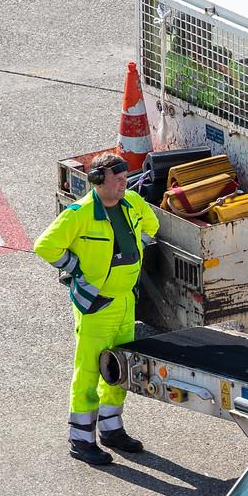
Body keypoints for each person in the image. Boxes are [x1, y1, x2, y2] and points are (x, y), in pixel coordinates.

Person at [33, 153, 158, 466]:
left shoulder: (132, 202)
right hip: (96, 307)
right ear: (98, 180)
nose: (123, 184)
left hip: (126, 301)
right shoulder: (80, 213)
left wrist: (135, 251)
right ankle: (81, 438)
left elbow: (152, 226)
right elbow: (45, 245)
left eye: (124, 178)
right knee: (89, 371)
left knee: (120, 369)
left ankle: (112, 428)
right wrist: (75, 268)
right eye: (116, 180)